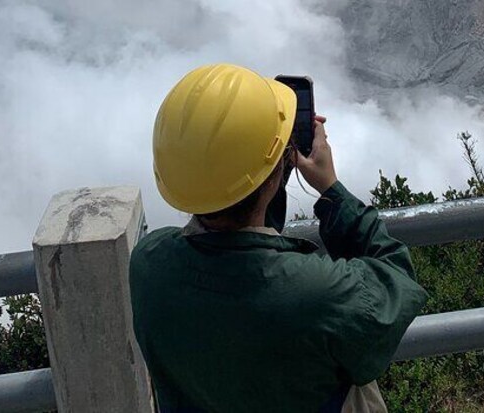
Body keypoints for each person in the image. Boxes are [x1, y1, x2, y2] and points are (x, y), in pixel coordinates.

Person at [129, 64, 428, 412]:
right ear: (273, 176)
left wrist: (270, 174)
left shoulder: (149, 266)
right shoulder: (320, 295)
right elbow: (395, 277)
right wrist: (332, 192)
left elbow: (239, 234)